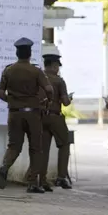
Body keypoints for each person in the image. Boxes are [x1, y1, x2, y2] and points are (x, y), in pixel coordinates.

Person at [0, 37, 53, 194]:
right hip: (33, 114)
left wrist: (12, 101)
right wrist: (47, 102)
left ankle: (4, 166)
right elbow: (49, 90)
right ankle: (33, 183)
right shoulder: (36, 71)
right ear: (29, 53)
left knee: (14, 146)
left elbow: (0, 93)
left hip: (14, 114)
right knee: (36, 148)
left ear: (17, 53)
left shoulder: (8, 70)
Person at [38, 54, 73, 191]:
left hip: (41, 117)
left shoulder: (38, 78)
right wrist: (69, 98)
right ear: (53, 66)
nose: (58, 69)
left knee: (44, 149)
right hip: (55, 117)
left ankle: (42, 179)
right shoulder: (59, 81)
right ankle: (61, 177)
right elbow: (65, 102)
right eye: (57, 66)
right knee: (64, 144)